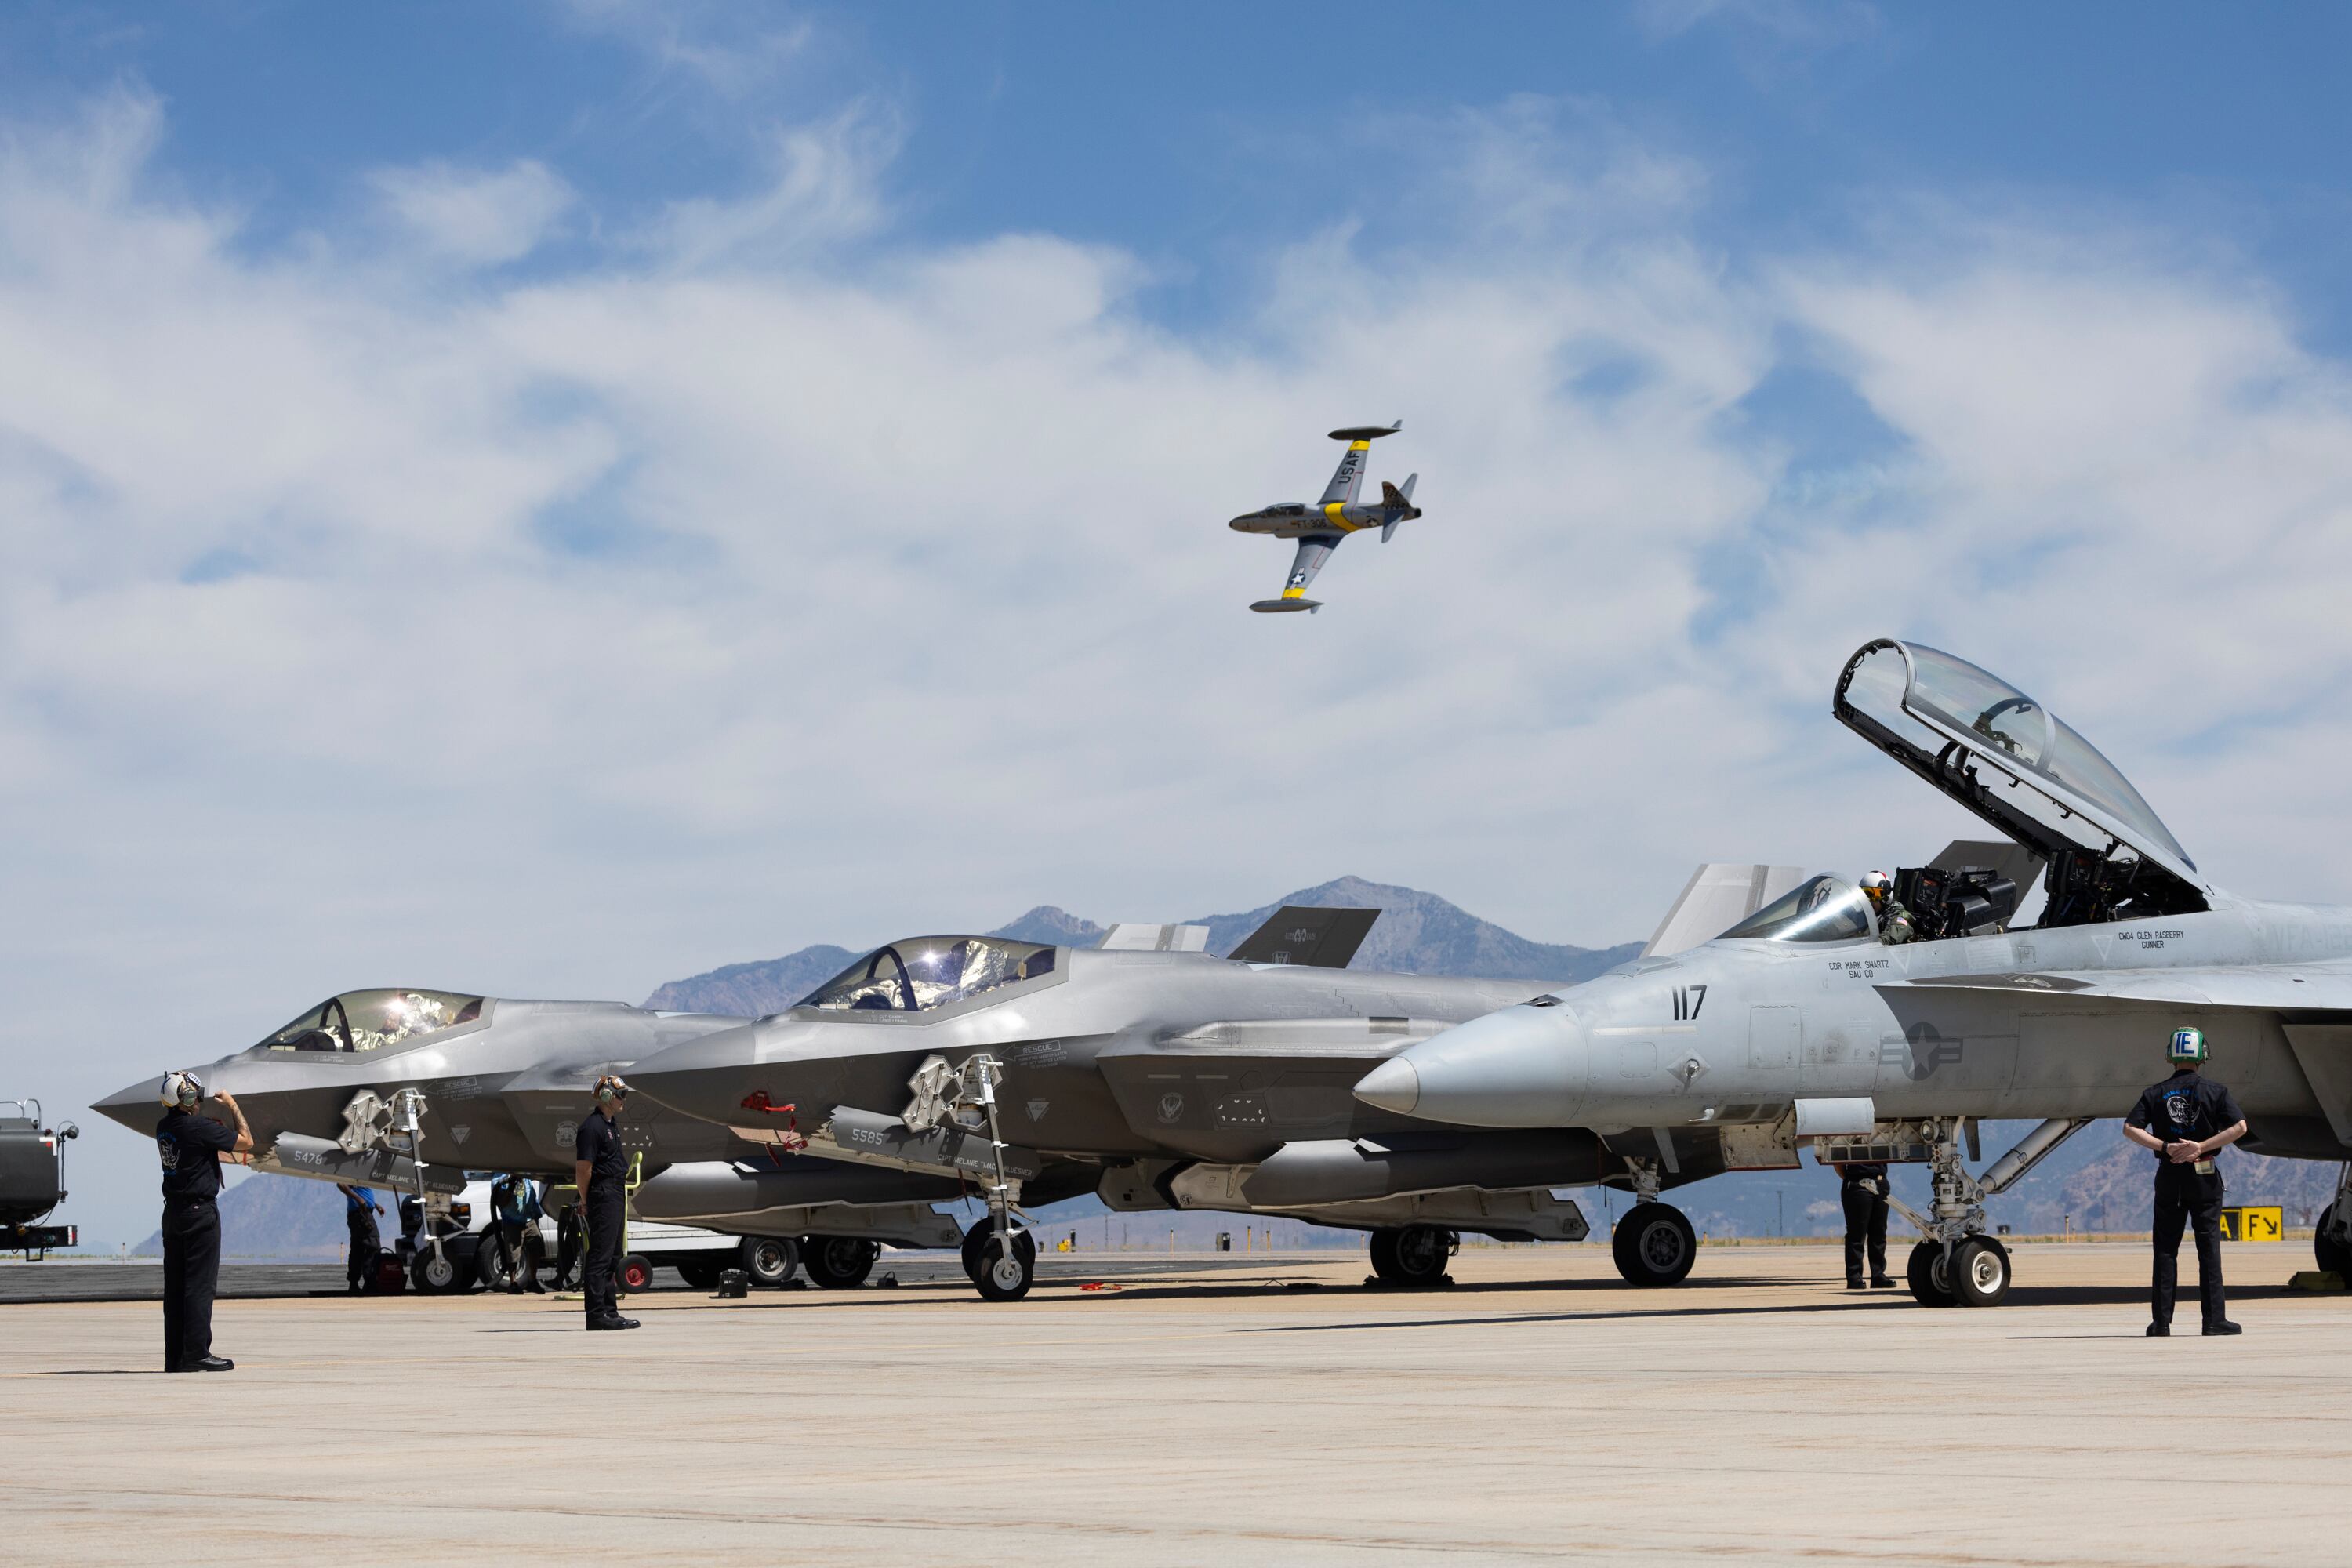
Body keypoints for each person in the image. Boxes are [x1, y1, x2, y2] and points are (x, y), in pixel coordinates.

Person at [2123, 1026, 2248, 1337]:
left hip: (2169, 1174)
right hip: (2204, 1173)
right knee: (2208, 1248)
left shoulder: (2154, 1093)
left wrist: (2167, 1147)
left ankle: (2162, 1322)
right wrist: (2201, 1147)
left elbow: (2130, 1128)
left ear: (2170, 1055)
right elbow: (2240, 1127)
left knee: (2166, 1249)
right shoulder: (2216, 1092)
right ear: (2203, 1054)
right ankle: (2214, 1320)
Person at [154, 1070, 252, 1372]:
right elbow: (247, 1141)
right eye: (193, 1094)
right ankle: (197, 1353)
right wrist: (233, 1106)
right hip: (199, 1214)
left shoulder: (163, 1127)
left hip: (173, 1214)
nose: (197, 1099)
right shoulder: (199, 1128)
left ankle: (176, 1357)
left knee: (175, 1288)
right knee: (199, 1286)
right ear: (184, 1098)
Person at [574, 1076, 639, 1331]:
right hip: (603, 1193)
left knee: (613, 1255)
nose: (623, 1100)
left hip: (615, 1190)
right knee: (600, 1257)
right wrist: (587, 1199)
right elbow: (583, 1169)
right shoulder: (592, 1127)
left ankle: (610, 1312)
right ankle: (596, 1314)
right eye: (620, 1095)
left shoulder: (610, 1125)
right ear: (606, 1096)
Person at [1838, 1161, 1895, 1290]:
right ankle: (1854, 1277)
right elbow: (1837, 1164)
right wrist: (1851, 1180)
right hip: (1857, 1184)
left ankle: (1878, 1275)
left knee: (1879, 1233)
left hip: (1881, 1183)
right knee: (1857, 1234)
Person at [491, 1171, 546, 1294]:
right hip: (512, 1219)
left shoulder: (525, 1175)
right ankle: (513, 1283)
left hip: (528, 1217)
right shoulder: (498, 1180)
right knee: (513, 1252)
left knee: (536, 1244)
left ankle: (532, 1280)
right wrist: (510, 1185)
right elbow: (501, 1203)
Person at [337, 1182, 384, 1294]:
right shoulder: (352, 1173)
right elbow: (341, 1184)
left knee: (358, 1249)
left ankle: (354, 1284)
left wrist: (375, 1204)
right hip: (361, 1213)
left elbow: (361, 1192)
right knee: (373, 1245)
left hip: (362, 1213)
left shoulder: (360, 1177)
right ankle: (369, 1282)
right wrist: (359, 1199)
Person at [1860, 870, 1915, 945]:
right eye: (1863, 895)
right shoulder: (1863, 916)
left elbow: (1886, 940)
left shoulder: (1899, 920)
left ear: (1886, 897)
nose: (1868, 901)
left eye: (1872, 895)